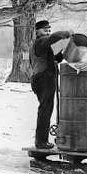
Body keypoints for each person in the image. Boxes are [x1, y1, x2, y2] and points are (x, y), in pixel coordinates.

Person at [30, 19, 71, 150]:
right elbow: (53, 38)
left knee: (46, 109)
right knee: (45, 110)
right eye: (44, 29)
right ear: (37, 32)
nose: (47, 31)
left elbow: (58, 58)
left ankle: (41, 140)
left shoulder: (46, 44)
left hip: (46, 78)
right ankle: (41, 142)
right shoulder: (40, 42)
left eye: (49, 29)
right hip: (43, 78)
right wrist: (67, 33)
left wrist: (66, 45)